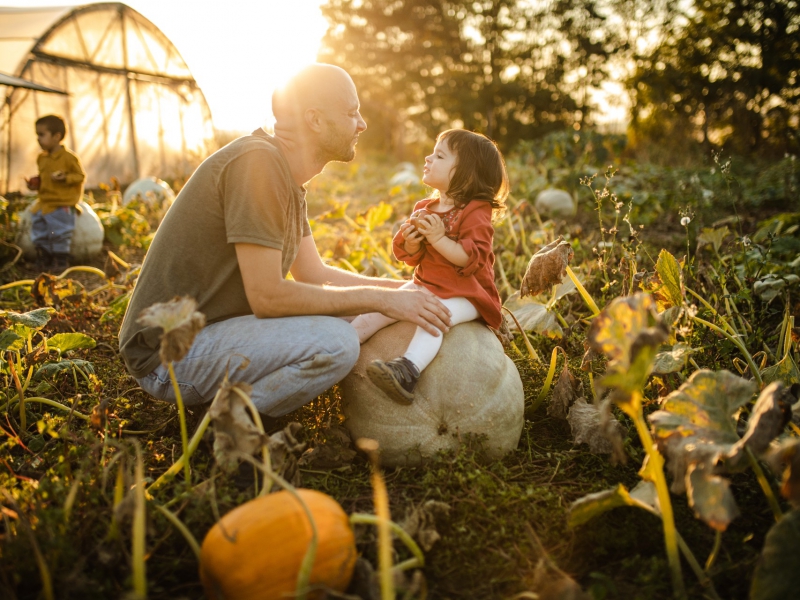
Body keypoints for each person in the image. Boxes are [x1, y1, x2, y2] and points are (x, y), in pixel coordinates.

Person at [118, 63, 452, 417]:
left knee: (351, 318)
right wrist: (379, 300)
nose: (362, 124)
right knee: (337, 343)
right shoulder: (257, 165)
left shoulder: (285, 175)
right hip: (170, 355)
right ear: (316, 120)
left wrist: (406, 292)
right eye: (352, 113)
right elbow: (267, 297)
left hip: (214, 333)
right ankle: (231, 423)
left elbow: (314, 272)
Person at [351, 129, 508, 404]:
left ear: (466, 173)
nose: (428, 158)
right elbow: (411, 257)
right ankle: (344, 346)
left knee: (435, 315)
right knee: (380, 308)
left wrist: (437, 238)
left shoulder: (475, 211)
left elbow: (472, 258)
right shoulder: (425, 207)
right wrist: (412, 245)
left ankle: (408, 370)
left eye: (439, 155)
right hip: (427, 286)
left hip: (466, 294)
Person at [25, 115, 86, 271]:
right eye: (37, 134)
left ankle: (60, 261)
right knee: (40, 231)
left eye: (41, 134)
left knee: (59, 233)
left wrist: (65, 177)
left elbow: (80, 176)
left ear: (57, 136)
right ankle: (44, 258)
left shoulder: (69, 158)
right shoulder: (42, 158)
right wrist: (36, 184)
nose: (38, 139)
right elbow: (44, 178)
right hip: (45, 203)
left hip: (62, 203)